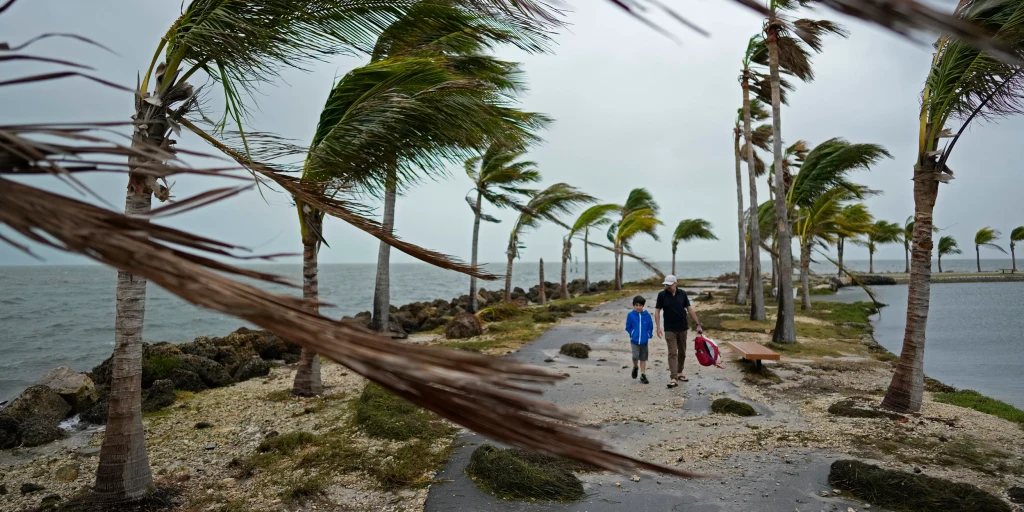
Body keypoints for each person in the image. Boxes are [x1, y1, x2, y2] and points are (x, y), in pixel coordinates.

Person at [654, 275, 702, 388]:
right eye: (666, 284)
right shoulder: (662, 295)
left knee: (682, 352)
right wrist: (658, 327)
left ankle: (680, 372)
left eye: (670, 284)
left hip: (682, 328)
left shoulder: (682, 294)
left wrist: (698, 323)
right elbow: (657, 311)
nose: (667, 286)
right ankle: (673, 377)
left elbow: (689, 309)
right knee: (672, 353)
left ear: (676, 283)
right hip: (669, 329)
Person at [625, 295, 653, 384]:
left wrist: (649, 334)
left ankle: (643, 374)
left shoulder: (647, 315)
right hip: (634, 340)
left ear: (643, 306)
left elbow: (650, 326)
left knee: (643, 358)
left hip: (644, 341)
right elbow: (628, 327)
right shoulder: (630, 315)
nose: (638, 307)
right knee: (635, 356)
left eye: (640, 305)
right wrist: (632, 333)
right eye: (636, 305)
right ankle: (635, 367)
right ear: (634, 305)